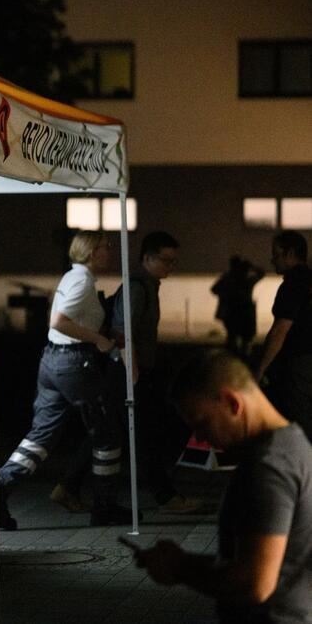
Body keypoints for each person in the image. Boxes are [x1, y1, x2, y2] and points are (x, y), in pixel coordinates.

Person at [131, 350, 311, 623]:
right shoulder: (294, 443)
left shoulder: (269, 466)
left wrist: (179, 569)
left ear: (232, 402)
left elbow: (254, 583)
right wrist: (184, 561)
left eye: (202, 423)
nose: (201, 438)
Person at [0, 230, 129, 529]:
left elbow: (64, 321)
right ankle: (104, 506)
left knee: (41, 435)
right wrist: (99, 339)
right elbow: (60, 321)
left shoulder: (72, 278)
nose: (109, 252)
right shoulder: (83, 281)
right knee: (108, 432)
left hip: (52, 362)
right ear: (89, 251)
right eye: (104, 247)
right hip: (75, 363)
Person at [55, 231, 201, 514]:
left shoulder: (148, 285)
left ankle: (68, 486)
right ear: (147, 258)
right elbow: (124, 331)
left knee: (113, 431)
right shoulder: (137, 287)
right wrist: (133, 371)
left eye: (174, 261)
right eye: (166, 260)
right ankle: (164, 496)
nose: (171, 266)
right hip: (126, 370)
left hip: (124, 370)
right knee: (143, 433)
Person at [255, 231, 312, 437]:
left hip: (300, 363)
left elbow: (281, 329)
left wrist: (261, 368)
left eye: (276, 254)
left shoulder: (293, 284)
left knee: (299, 423)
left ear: (290, 254)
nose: (272, 260)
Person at [212, 255, 264, 357]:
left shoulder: (228, 279)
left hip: (233, 312)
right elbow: (261, 274)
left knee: (233, 339)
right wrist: (252, 267)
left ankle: (234, 359)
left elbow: (214, 290)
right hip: (243, 313)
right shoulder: (246, 280)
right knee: (243, 341)